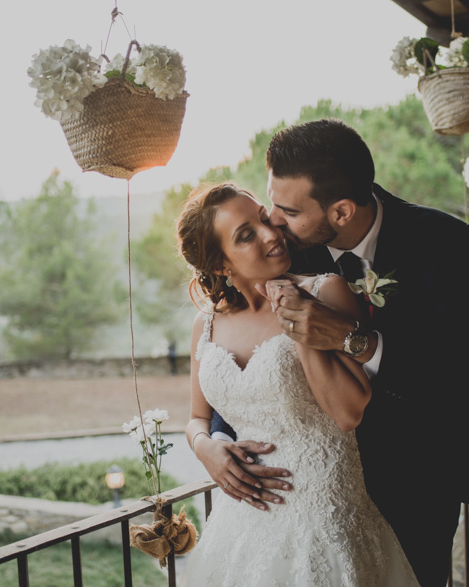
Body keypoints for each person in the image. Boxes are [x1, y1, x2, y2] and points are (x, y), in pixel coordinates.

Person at [199, 119, 469, 587]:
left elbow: (453, 378)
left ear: (339, 212)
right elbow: (249, 361)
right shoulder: (287, 250)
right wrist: (212, 441)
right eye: (270, 205)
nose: (273, 223)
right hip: (318, 491)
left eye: (286, 210)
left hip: (420, 475)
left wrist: (349, 337)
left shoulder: (442, 242)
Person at [178, 182, 420, 587]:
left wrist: (297, 315)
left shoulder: (326, 291)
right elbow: (197, 418)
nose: (271, 234)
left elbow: (347, 413)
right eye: (246, 235)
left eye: (261, 218)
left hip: (326, 515)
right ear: (221, 264)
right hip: (242, 520)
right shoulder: (207, 324)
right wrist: (207, 450)